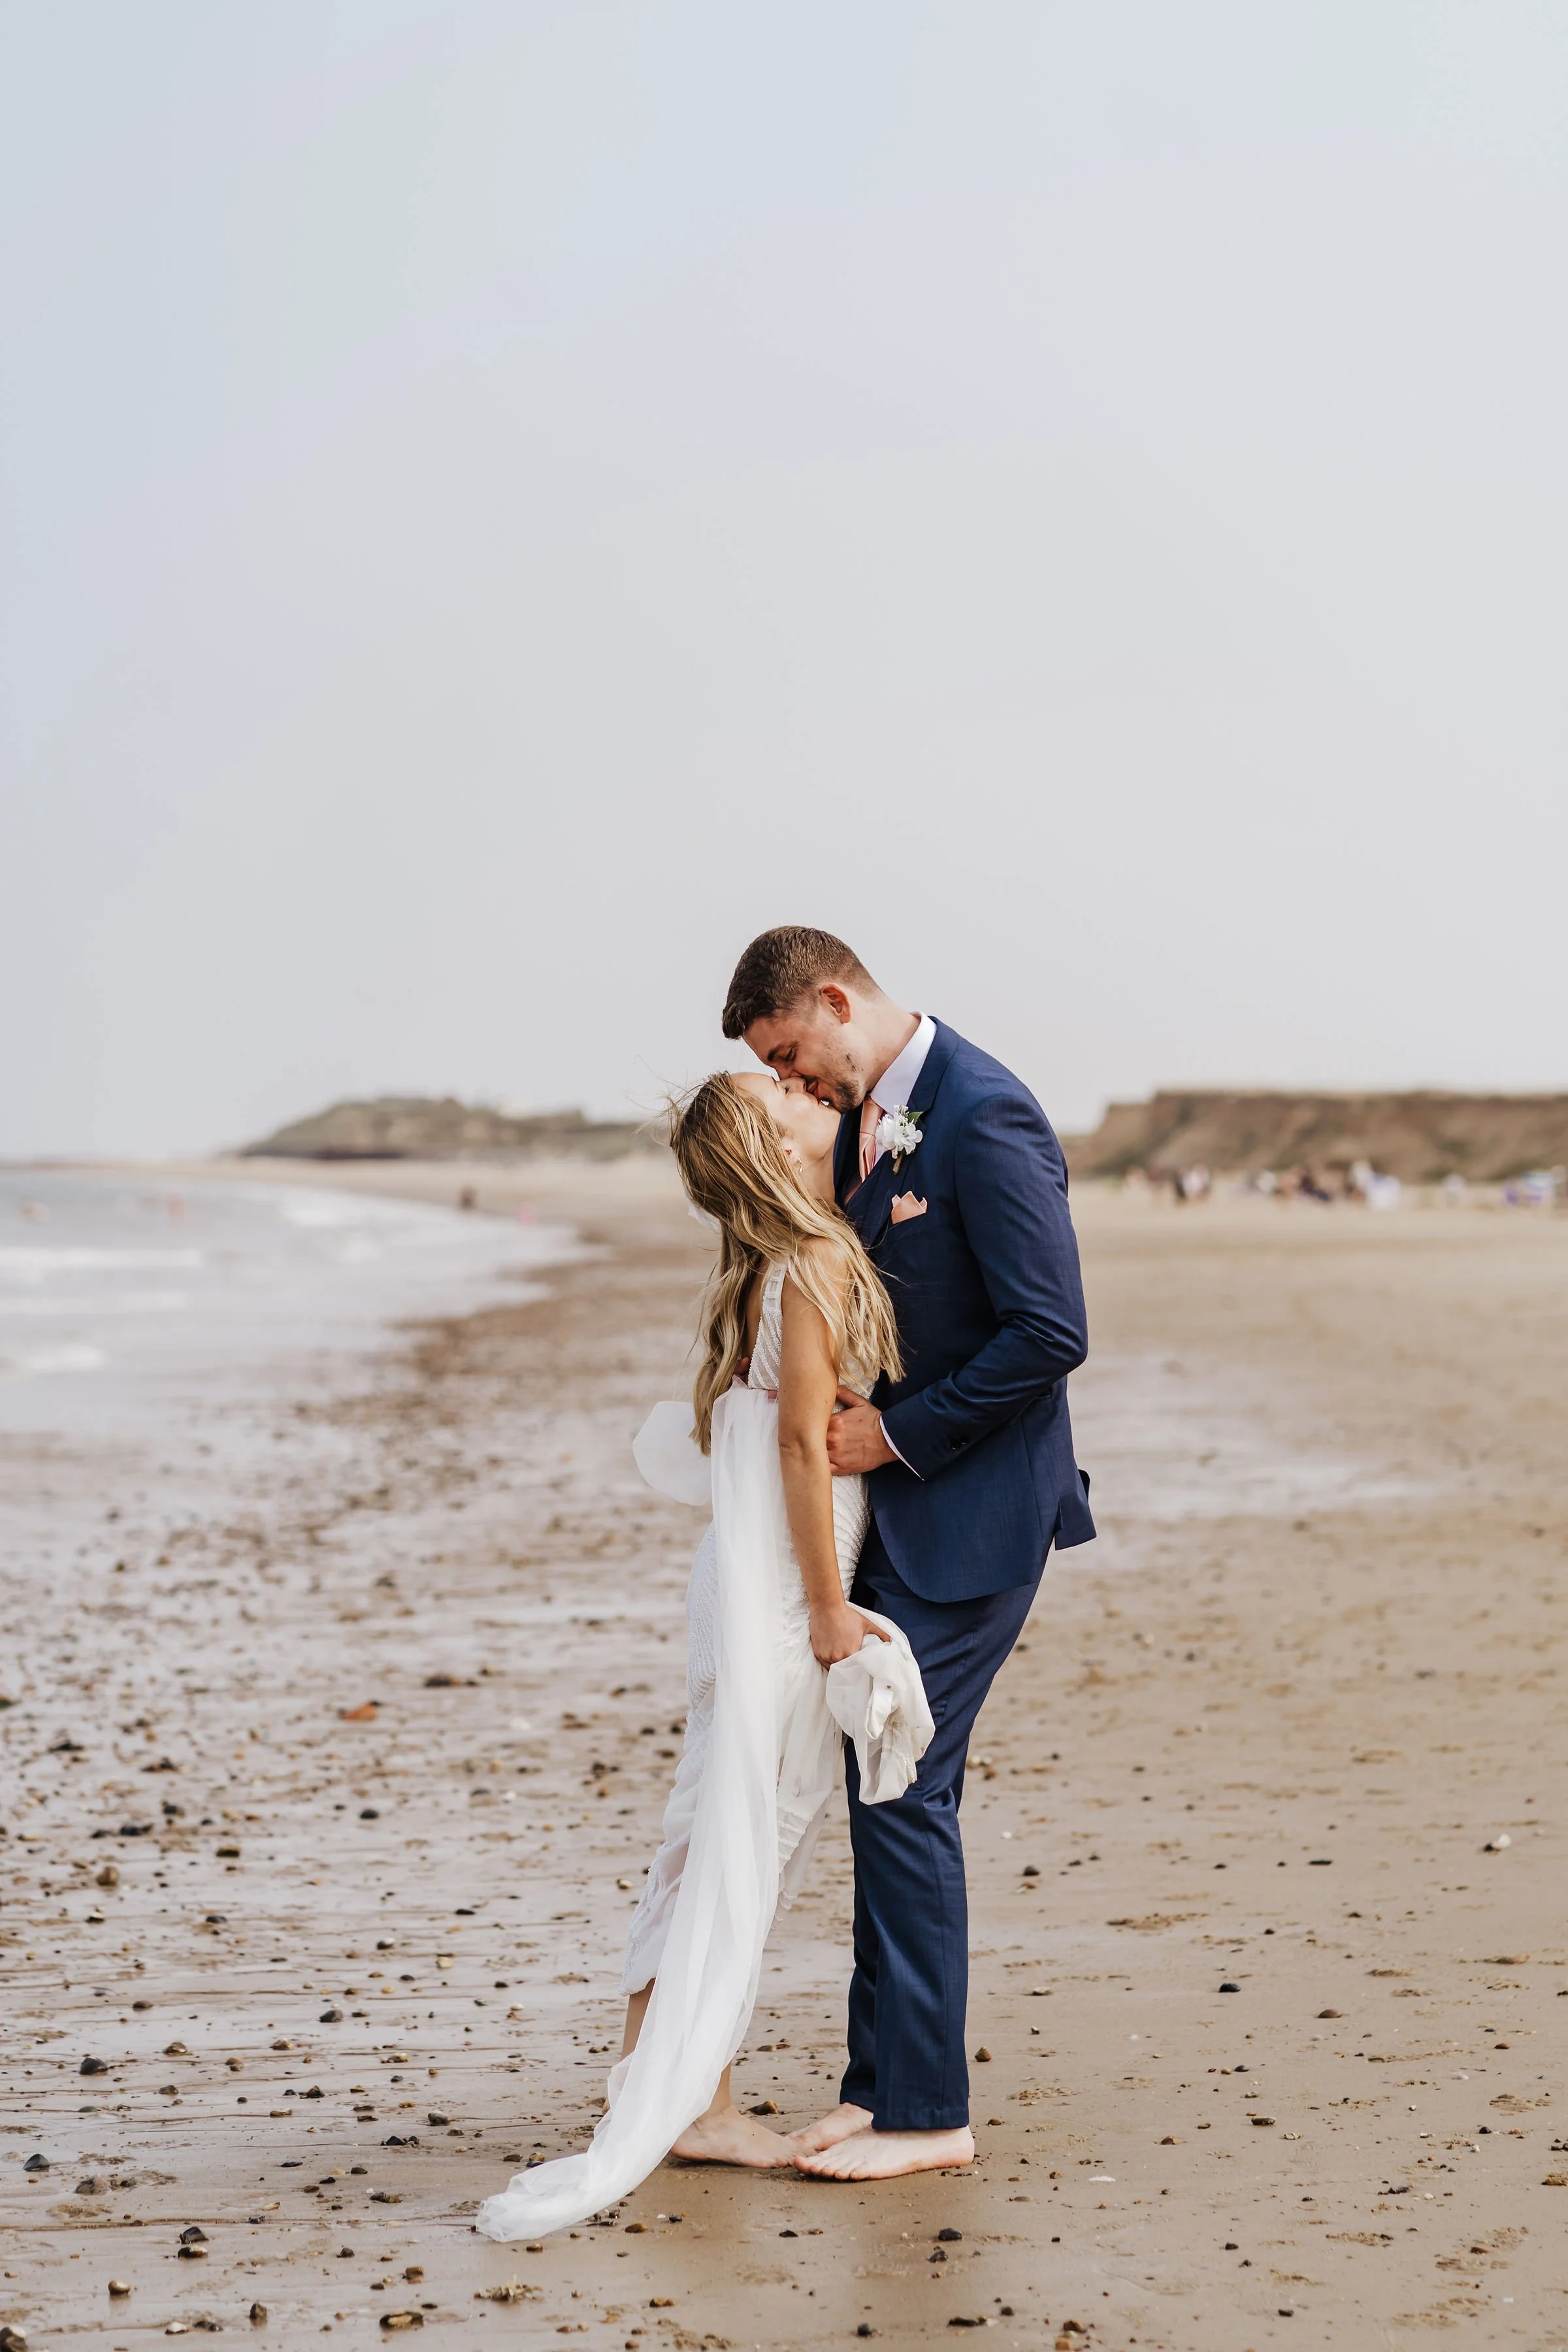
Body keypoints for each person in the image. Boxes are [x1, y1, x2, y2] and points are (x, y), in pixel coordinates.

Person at [476, 1065, 905, 2239]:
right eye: (786, 1104)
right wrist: (827, 1612)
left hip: (739, 1576)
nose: (811, 1099)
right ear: (772, 1153)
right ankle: (688, 2101)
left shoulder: (764, 1272)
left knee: (703, 1829)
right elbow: (802, 1455)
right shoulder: (810, 1266)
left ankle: (663, 2086)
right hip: (777, 1582)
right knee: (741, 1833)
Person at [725, 924, 1094, 2181]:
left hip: (982, 1515)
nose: (799, 1081)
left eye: (791, 1052)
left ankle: (931, 2115)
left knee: (904, 1790)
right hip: (914, 1525)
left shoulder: (983, 1112)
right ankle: (876, 2087)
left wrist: (893, 1436)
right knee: (880, 1779)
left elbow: (1052, 1332)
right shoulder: (886, 1114)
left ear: (834, 1000)